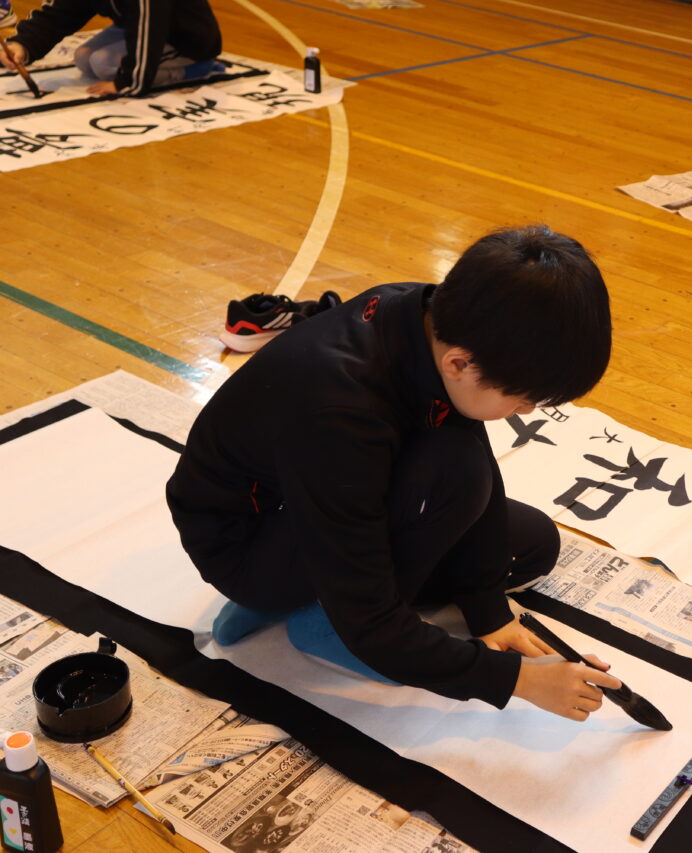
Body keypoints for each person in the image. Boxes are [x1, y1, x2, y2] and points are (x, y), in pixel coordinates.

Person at [166, 226, 623, 721]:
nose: (527, 411)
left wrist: (489, 610)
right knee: (455, 470)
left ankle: (318, 597)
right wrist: (515, 680)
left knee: (531, 543)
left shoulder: (430, 318)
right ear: (460, 365)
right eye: (524, 398)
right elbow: (373, 618)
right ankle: (322, 623)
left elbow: (477, 465)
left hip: (323, 495)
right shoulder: (339, 410)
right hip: (249, 546)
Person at [1, 0, 222, 97]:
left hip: (188, 40)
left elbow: (149, 27)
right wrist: (23, 45)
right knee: (84, 57)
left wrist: (128, 82)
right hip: (138, 26)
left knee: (103, 64)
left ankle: (196, 67)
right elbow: (60, 13)